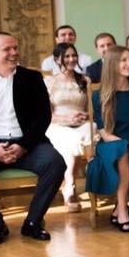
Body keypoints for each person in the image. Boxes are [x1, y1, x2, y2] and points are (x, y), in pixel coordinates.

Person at [0, 32, 66, 245]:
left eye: (15, 48)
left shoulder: (32, 78)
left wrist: (23, 145)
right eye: (7, 49)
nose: (14, 52)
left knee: (55, 163)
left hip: (28, 144)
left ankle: (33, 222)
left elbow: (43, 116)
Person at [85, 47, 129, 233]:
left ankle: (118, 206)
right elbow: (104, 133)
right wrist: (128, 144)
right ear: (112, 64)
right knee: (122, 150)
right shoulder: (99, 96)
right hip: (111, 145)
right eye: (123, 60)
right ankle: (123, 211)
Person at [45, 43, 93, 213]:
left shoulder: (84, 80)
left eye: (74, 55)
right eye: (67, 56)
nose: (72, 59)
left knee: (91, 130)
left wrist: (84, 116)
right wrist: (66, 118)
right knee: (71, 140)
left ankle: (94, 182)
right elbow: (46, 115)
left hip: (82, 123)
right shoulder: (49, 82)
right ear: (57, 59)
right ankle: (70, 188)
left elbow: (91, 110)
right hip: (57, 124)